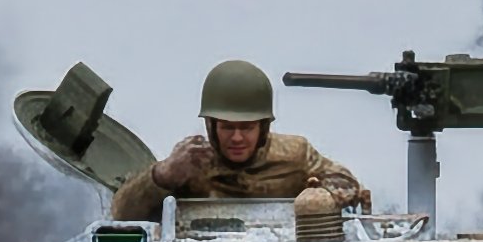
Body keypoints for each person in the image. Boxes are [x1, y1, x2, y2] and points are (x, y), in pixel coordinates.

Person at [109, 59, 371, 222]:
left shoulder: (296, 154)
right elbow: (122, 214)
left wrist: (320, 196)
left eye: (246, 128)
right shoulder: (189, 165)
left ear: (263, 127)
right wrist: (163, 176)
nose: (237, 138)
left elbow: (347, 185)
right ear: (211, 127)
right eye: (227, 127)